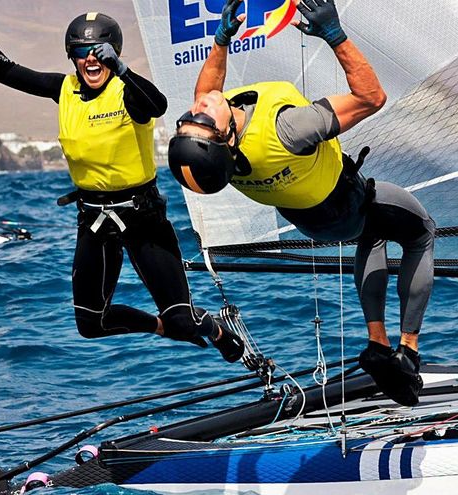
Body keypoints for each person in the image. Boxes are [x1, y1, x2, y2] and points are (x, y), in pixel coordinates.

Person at [167, 0, 435, 405]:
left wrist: (220, 39)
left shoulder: (221, 157)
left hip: (306, 219)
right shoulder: (288, 130)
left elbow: (207, 91)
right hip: (344, 204)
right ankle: (409, 350)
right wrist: (335, 35)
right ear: (227, 139)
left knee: (374, 237)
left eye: (191, 117)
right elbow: (372, 97)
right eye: (202, 120)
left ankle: (378, 344)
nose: (200, 107)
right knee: (420, 232)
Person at [0, 2, 243, 362]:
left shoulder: (127, 92)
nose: (90, 60)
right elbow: (5, 72)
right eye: (81, 53)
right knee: (91, 324)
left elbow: (158, 105)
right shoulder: (64, 89)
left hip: (143, 219)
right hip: (92, 219)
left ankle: (211, 328)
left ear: (113, 54)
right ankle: (162, 327)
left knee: (184, 319)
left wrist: (122, 69)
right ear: (71, 57)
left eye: (99, 53)